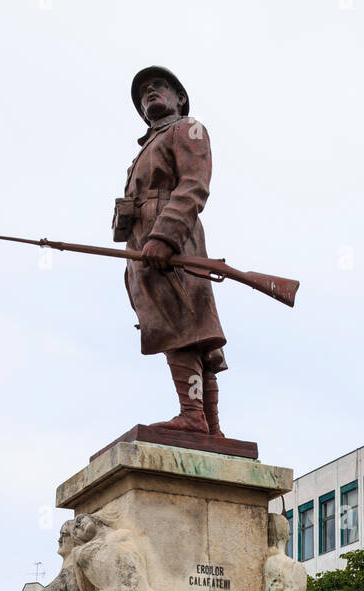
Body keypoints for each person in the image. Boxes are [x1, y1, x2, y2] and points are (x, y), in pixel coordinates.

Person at [118, 66, 228, 434]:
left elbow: (194, 185)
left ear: (179, 97)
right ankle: (208, 423)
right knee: (183, 325)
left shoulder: (188, 129)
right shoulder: (146, 149)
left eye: (158, 87)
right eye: (143, 92)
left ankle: (193, 415)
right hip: (144, 243)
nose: (150, 93)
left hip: (172, 239)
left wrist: (164, 236)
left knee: (184, 325)